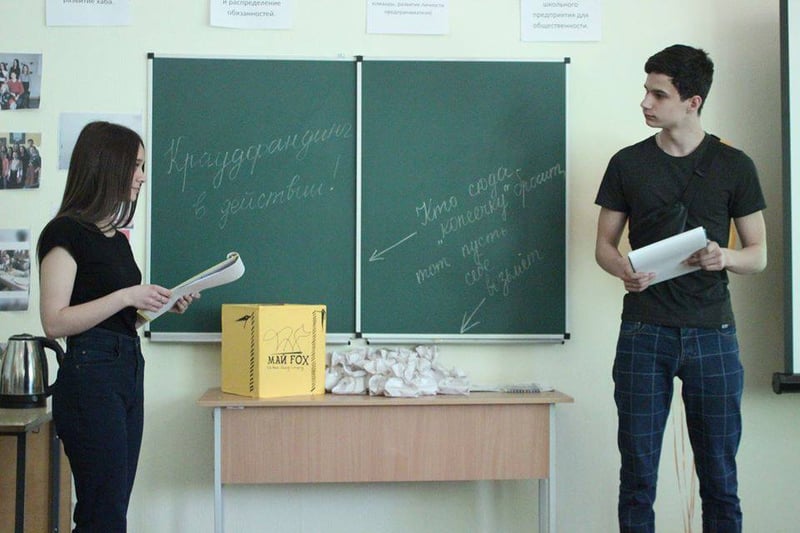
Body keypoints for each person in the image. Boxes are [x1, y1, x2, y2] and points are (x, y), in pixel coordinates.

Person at [594, 45, 767, 532]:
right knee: (637, 476)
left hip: (712, 334)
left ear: (693, 102)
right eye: (646, 91)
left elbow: (758, 254)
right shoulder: (627, 163)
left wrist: (724, 256)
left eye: (658, 94)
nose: (645, 102)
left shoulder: (735, 165)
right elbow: (603, 246)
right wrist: (622, 270)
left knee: (719, 477)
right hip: (643, 332)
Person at [37, 121, 200, 532]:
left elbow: (118, 318)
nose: (142, 176)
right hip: (90, 375)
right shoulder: (64, 232)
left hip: (126, 368)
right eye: (137, 165)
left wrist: (162, 305)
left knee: (110, 513)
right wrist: (127, 296)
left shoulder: (115, 238)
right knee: (103, 516)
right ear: (108, 165)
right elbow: (54, 321)